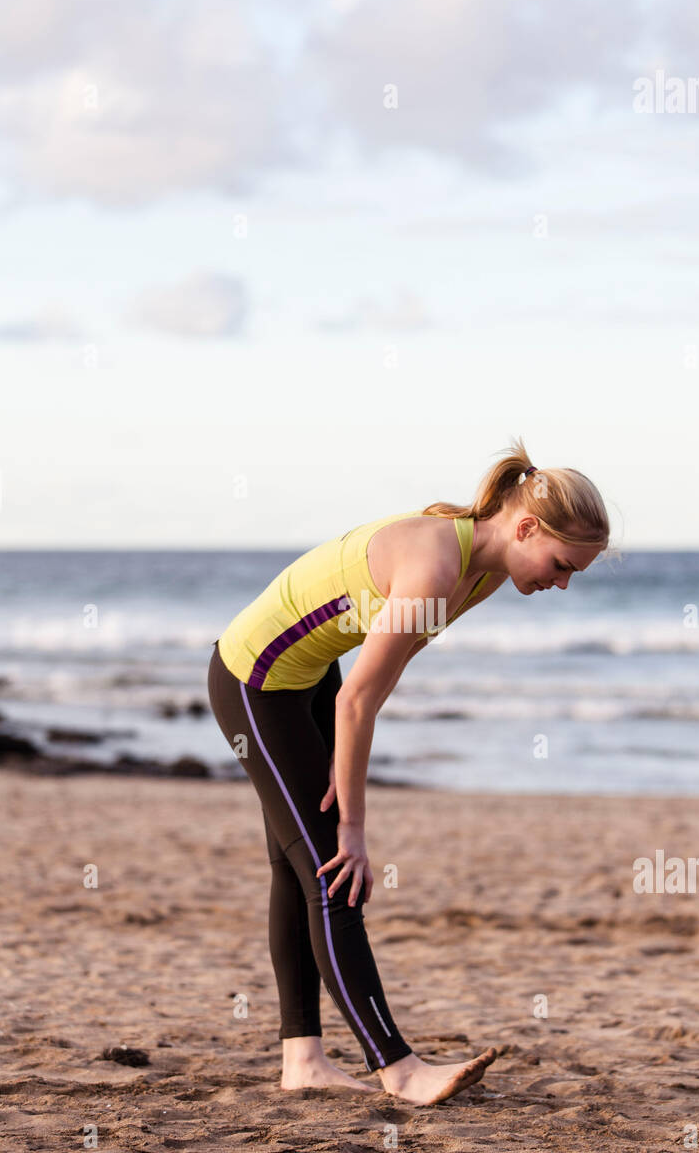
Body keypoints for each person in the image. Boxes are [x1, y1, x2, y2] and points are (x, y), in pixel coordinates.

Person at [207, 438, 610, 1105]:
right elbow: (359, 699)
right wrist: (356, 824)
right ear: (526, 527)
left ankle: (302, 1061)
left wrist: (339, 764)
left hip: (309, 676)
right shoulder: (435, 568)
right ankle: (398, 1069)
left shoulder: (482, 572)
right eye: (563, 565)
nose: (563, 583)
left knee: (298, 862)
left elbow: (372, 678)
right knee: (336, 871)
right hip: (257, 680)